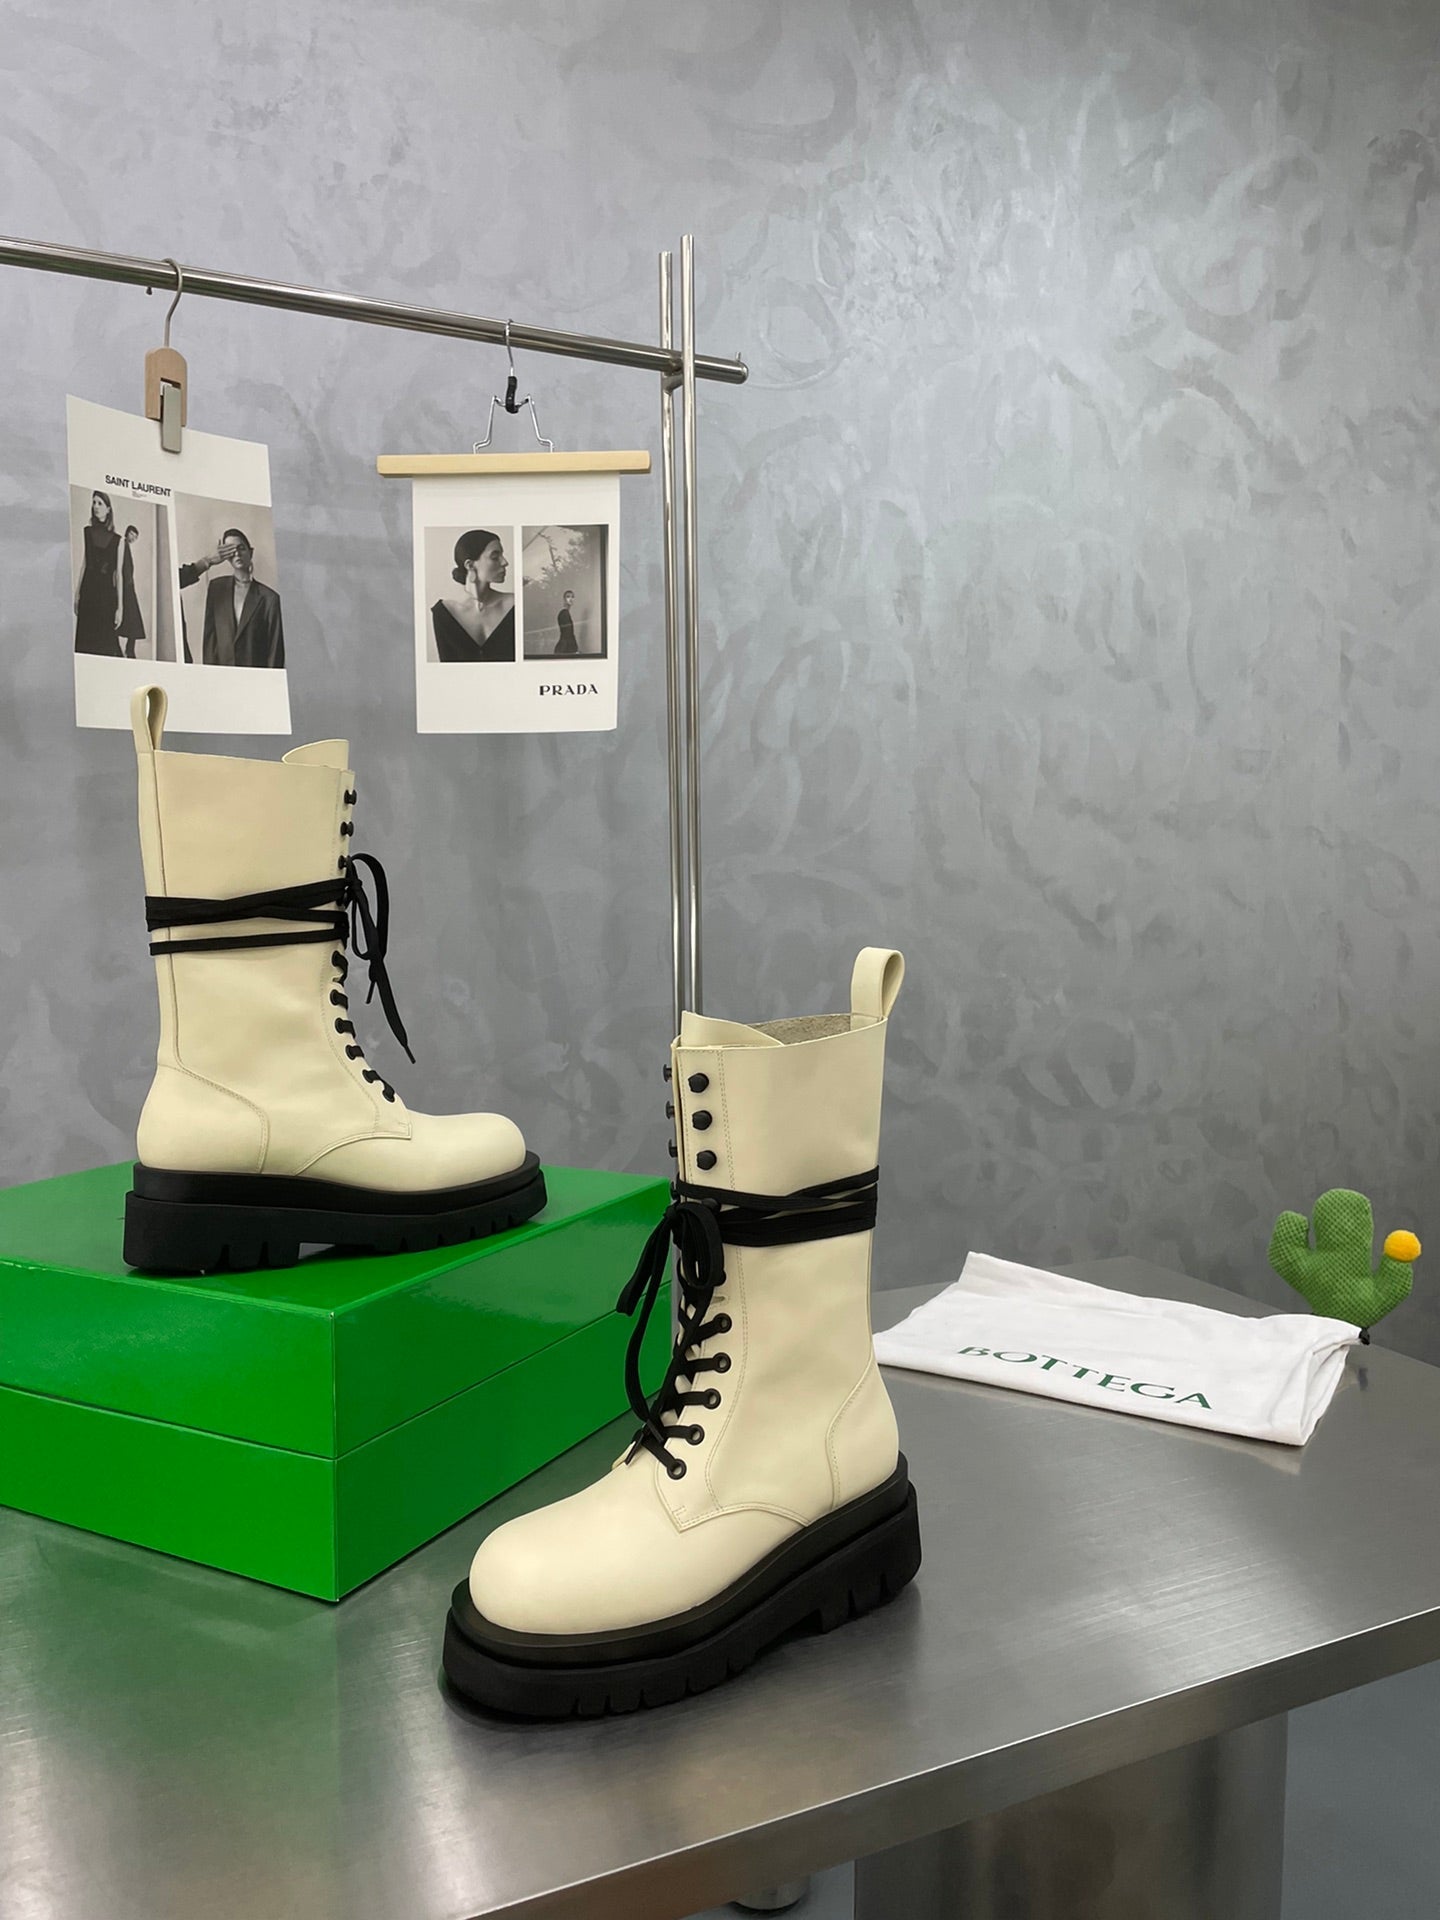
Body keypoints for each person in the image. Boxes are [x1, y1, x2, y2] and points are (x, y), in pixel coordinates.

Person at [201, 527, 285, 669]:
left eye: (241, 548)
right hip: (223, 674)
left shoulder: (270, 599)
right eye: (231, 550)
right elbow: (209, 641)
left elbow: (275, 651)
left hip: (255, 676)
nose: (237, 554)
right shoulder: (216, 589)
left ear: (250, 552)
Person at [431, 529, 515, 662]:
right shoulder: (444, 613)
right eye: (495, 557)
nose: (505, 562)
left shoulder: (515, 604)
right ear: (470, 565)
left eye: (502, 555)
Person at [73, 489, 122, 655]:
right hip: (88, 593)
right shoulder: (87, 532)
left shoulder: (118, 540)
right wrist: (77, 594)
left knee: (105, 644)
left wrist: (120, 608)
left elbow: (118, 575)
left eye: (100, 503)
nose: (96, 506)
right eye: (94, 502)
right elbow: (84, 564)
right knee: (85, 643)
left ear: (108, 509)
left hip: (106, 596)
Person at [117, 524, 146, 660]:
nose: (134, 538)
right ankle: (128, 649)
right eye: (132, 534)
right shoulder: (122, 544)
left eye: (136, 537)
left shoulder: (126, 546)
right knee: (130, 618)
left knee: (132, 618)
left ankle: (130, 649)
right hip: (124, 587)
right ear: (127, 532)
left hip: (128, 586)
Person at [554, 589, 578, 656]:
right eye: (568, 597)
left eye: (572, 597)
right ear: (564, 599)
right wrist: (574, 648)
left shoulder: (566, 613)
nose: (571, 599)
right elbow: (567, 634)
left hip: (566, 646)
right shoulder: (564, 613)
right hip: (565, 647)